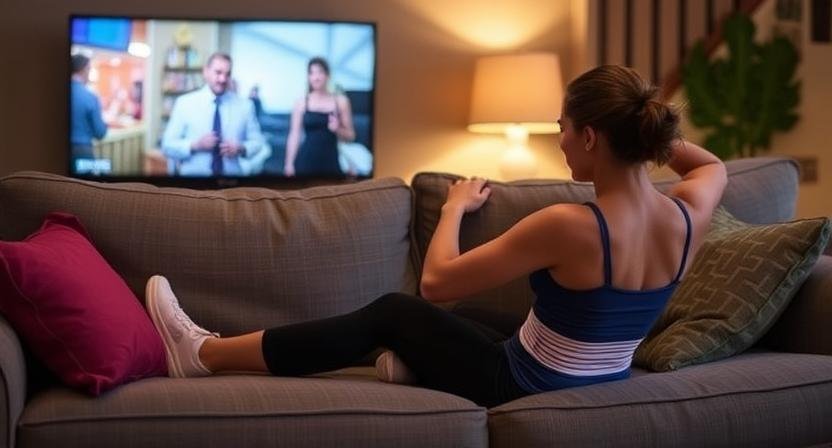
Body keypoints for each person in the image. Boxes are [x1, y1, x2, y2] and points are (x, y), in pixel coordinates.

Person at [144, 65, 727, 407]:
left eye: (564, 129)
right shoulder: (689, 213)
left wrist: (453, 208)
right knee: (479, 319)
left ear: (593, 137)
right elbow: (710, 165)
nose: (561, 141)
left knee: (395, 310)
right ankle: (417, 363)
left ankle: (203, 354)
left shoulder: (570, 225)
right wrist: (637, 125)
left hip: (523, 383)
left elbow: (437, 283)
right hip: (602, 374)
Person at [162, 53, 266, 176]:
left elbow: (258, 142)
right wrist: (195, 145)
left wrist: (241, 148)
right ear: (206, 72)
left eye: (227, 74)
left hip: (232, 181)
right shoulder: (184, 103)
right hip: (193, 182)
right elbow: (167, 145)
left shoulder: (245, 106)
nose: (223, 79)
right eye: (218, 72)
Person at [283, 57, 355, 177]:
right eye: (312, 73)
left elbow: (351, 136)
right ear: (308, 77)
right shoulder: (301, 102)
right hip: (305, 161)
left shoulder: (341, 101)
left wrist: (337, 129)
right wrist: (289, 164)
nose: (316, 77)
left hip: (331, 162)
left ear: (328, 75)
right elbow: (294, 135)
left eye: (320, 72)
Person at [69, 54, 107, 168]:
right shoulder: (90, 97)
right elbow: (100, 133)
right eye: (89, 69)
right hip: (83, 152)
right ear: (84, 69)